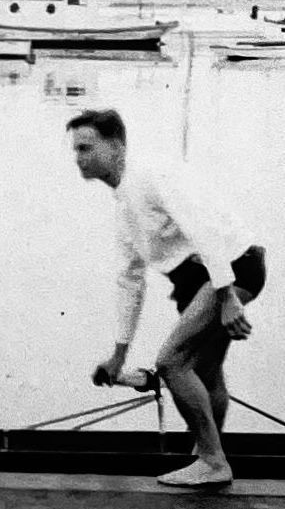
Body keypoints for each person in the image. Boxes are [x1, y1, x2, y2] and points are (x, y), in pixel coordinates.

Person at [67, 107, 267, 487]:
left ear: (116, 145)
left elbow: (202, 226)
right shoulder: (124, 205)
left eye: (86, 148)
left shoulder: (149, 175)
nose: (78, 158)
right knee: (206, 372)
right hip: (202, 280)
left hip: (230, 267)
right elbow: (130, 280)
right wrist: (119, 355)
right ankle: (207, 456)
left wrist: (227, 296)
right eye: (75, 150)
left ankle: (212, 461)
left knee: (172, 362)